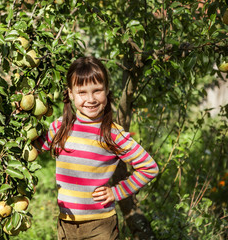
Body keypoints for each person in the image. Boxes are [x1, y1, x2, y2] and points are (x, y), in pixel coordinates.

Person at [34, 56, 159, 240]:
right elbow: (33, 148)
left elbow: (149, 167)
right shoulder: (60, 127)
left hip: (100, 225)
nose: (90, 99)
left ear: (106, 91)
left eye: (97, 90)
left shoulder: (112, 133)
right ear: (70, 93)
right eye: (82, 92)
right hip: (66, 223)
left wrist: (116, 192)